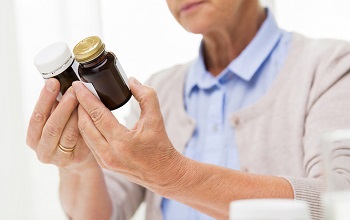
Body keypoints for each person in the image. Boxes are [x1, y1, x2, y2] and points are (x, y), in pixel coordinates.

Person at [26, 0, 350, 220]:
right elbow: (103, 212)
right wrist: (79, 166)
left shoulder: (331, 66)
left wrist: (172, 174)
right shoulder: (159, 88)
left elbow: (336, 202)